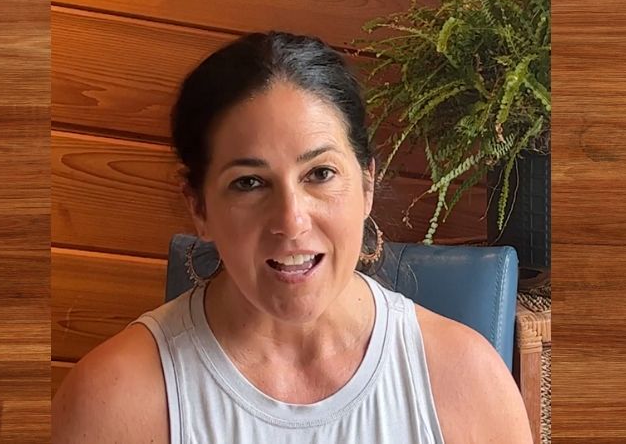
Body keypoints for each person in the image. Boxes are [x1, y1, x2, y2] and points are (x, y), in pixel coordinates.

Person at [52, 31, 532, 443]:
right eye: (248, 183)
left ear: (366, 185)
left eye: (320, 173)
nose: (292, 221)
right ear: (198, 207)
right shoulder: (112, 401)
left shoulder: (465, 379)